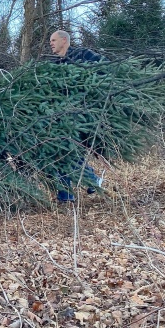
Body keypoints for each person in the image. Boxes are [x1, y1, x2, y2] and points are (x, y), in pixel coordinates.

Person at [48, 29, 105, 202]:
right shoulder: (55, 64)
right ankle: (66, 195)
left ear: (64, 40)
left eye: (54, 40)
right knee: (60, 152)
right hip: (60, 115)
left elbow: (104, 66)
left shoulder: (82, 55)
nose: (51, 43)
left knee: (68, 150)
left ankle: (92, 180)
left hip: (78, 115)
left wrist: (86, 85)